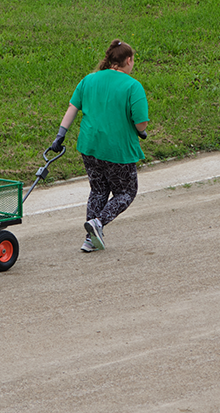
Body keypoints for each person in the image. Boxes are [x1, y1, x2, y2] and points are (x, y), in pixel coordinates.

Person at [49, 40, 149, 253]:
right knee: (126, 192)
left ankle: (90, 239)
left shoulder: (89, 80)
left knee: (98, 190)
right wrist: (140, 131)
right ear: (128, 60)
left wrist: (60, 137)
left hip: (90, 146)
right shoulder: (133, 86)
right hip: (117, 150)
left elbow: (72, 108)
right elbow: (141, 123)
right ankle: (98, 223)